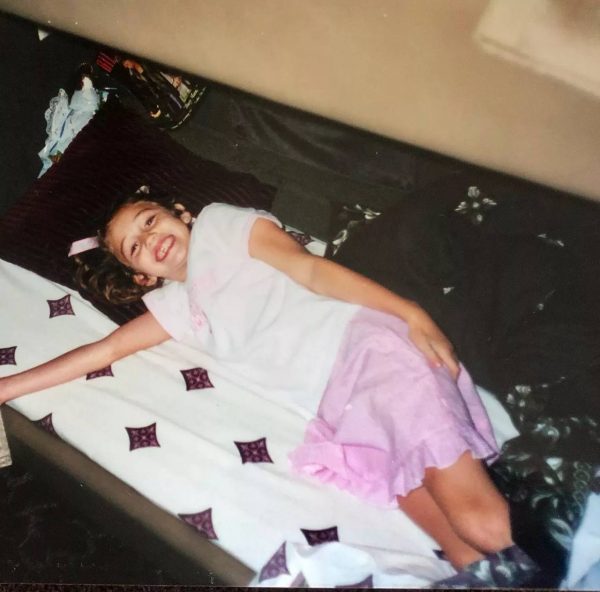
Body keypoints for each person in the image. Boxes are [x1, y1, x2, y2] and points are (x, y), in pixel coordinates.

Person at [0, 187, 538, 587]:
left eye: (149, 220)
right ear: (141, 276)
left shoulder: (221, 225)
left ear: (179, 213)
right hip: (340, 412)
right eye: (133, 247)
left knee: (480, 524)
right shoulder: (174, 307)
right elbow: (106, 351)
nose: (149, 239)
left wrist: (410, 312)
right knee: (461, 553)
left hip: (369, 354)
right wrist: (7, 387)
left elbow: (310, 271)